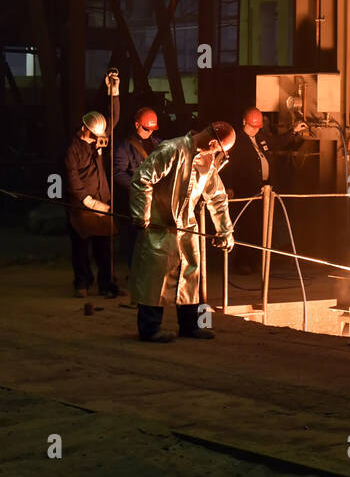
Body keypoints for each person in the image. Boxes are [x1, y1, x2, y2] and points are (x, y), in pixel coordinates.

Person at [129, 122, 237, 342]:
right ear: (213, 143)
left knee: (190, 276)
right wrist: (142, 214)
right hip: (160, 226)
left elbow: (217, 196)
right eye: (218, 150)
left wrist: (225, 231)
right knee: (155, 277)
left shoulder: (207, 163)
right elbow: (142, 177)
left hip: (188, 229)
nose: (217, 154)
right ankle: (149, 329)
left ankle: (189, 326)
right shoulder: (172, 150)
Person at [223, 107, 308, 274]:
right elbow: (229, 166)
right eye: (252, 127)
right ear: (244, 123)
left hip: (264, 192)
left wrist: (293, 132)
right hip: (247, 191)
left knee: (261, 227)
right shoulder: (237, 141)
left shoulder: (261, 138)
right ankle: (242, 262)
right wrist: (229, 186)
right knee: (247, 227)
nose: (254, 130)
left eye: (257, 127)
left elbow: (276, 142)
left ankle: (256, 261)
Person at [65, 71, 121, 298]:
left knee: (104, 248)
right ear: (84, 129)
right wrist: (88, 201)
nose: (100, 137)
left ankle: (106, 284)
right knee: (80, 246)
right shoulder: (72, 148)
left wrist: (113, 92)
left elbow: (112, 119)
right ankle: (82, 283)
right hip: (81, 204)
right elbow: (72, 177)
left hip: (102, 198)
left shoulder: (98, 136)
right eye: (95, 134)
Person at [113, 106, 161, 278]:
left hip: (154, 201)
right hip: (134, 201)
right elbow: (118, 173)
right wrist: (138, 188)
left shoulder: (158, 144)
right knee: (135, 240)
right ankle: (136, 274)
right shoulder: (124, 147)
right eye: (146, 128)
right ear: (136, 125)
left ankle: (150, 273)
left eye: (152, 129)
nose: (149, 132)